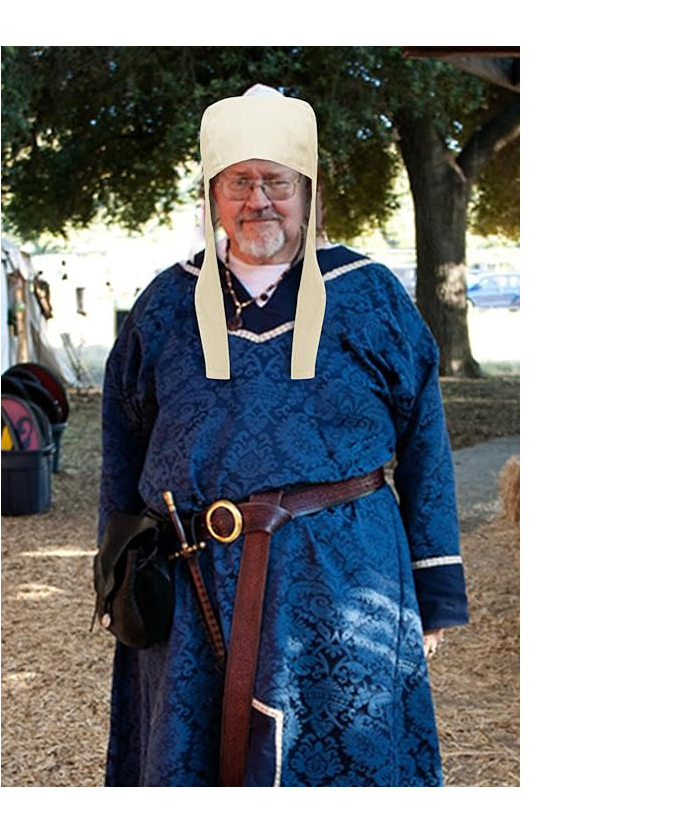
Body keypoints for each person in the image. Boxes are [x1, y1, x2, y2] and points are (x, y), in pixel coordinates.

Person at [98, 84, 468, 787]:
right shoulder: (163, 305)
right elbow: (123, 445)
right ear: (212, 193)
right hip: (192, 579)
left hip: (344, 577)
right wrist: (122, 576)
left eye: (277, 182)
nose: (258, 200)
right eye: (240, 181)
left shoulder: (369, 295)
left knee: (343, 754)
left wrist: (434, 587)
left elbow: (423, 436)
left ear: (308, 192)